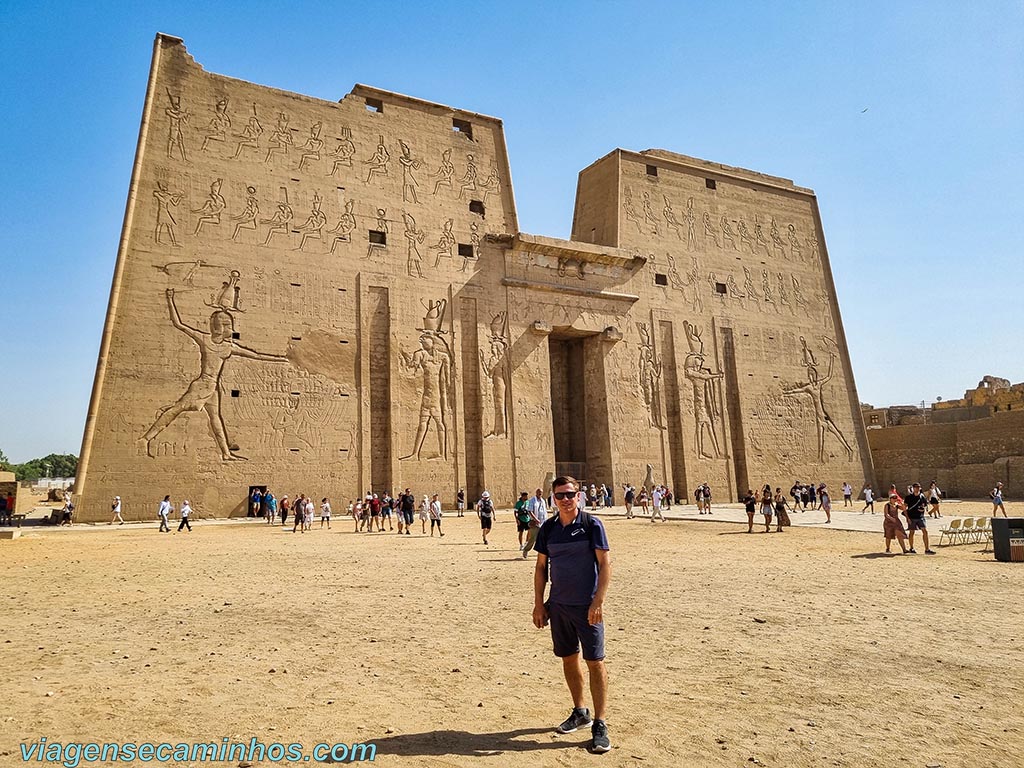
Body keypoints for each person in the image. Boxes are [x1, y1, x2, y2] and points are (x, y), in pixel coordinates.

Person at [532, 476, 611, 754]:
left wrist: (598, 601)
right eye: (560, 496)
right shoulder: (549, 528)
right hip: (560, 606)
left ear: (579, 496)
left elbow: (605, 564)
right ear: (553, 498)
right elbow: (541, 567)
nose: (565, 500)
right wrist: (539, 604)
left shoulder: (592, 525)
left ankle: (600, 723)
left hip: (587, 605)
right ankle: (580, 711)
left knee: (595, 661)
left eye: (570, 495)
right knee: (568, 658)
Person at [903, 483, 935, 554]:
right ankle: (911, 548)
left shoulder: (922, 496)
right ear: (913, 488)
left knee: (925, 531)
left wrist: (922, 509)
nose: (917, 489)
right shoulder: (908, 497)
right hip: (912, 517)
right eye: (916, 487)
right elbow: (904, 508)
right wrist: (907, 517)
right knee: (912, 532)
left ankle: (927, 549)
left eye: (918, 487)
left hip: (920, 516)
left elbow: (924, 506)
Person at [523, 488, 548, 558]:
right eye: (538, 492)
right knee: (533, 538)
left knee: (544, 538)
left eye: (541, 493)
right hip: (534, 523)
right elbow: (529, 511)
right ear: (536, 492)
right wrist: (535, 519)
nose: (540, 494)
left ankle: (544, 553)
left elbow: (544, 511)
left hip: (543, 522)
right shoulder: (532, 501)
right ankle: (526, 549)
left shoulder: (543, 501)